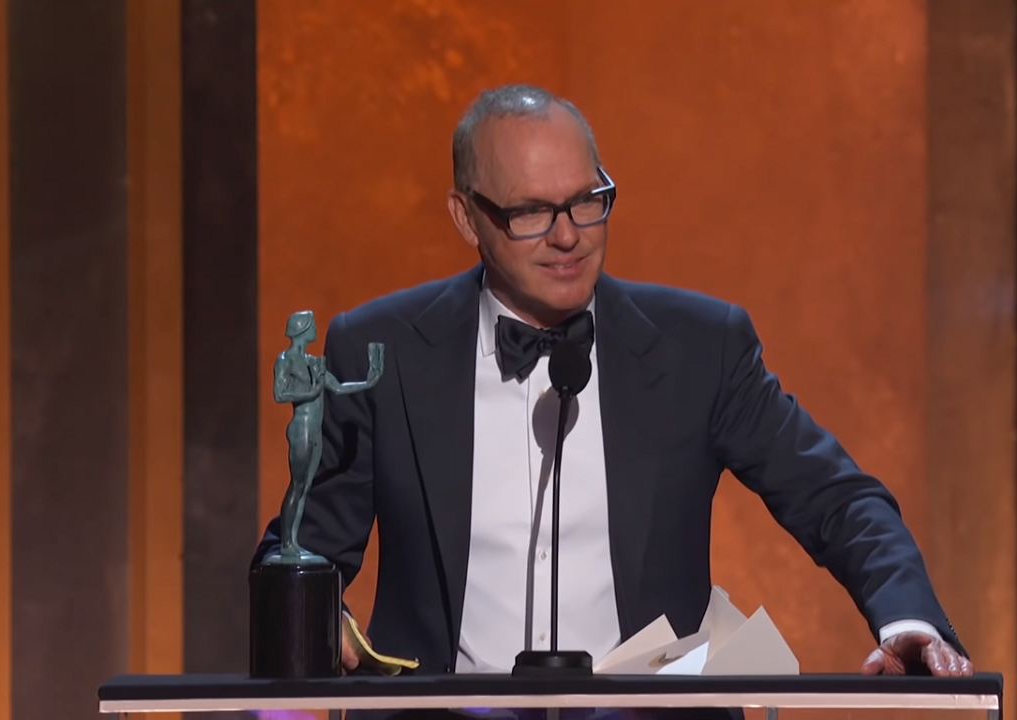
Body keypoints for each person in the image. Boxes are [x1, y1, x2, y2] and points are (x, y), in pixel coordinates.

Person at [252, 83, 973, 708]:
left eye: (586, 201)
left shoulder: (700, 346)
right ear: (467, 217)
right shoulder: (384, 350)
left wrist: (906, 618)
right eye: (531, 211)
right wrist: (320, 624)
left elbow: (835, 498)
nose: (568, 236)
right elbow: (302, 549)